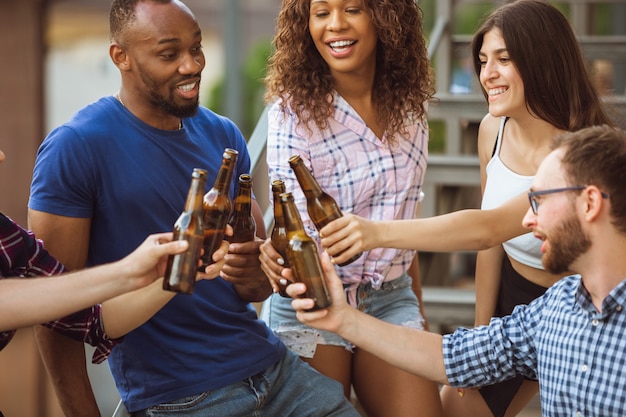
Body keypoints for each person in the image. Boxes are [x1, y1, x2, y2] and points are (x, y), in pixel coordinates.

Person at [27, 1, 359, 416]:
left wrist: (256, 269)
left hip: (274, 370)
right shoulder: (74, 147)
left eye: (196, 48)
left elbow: (253, 287)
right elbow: (52, 311)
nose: (191, 65)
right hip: (180, 397)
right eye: (169, 54)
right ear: (121, 57)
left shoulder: (222, 133)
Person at [316, 1, 614, 415]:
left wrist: (375, 232)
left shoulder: (581, 155)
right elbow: (491, 248)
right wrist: (482, 331)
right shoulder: (493, 130)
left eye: (504, 60)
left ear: (542, 60)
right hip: (517, 303)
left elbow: (487, 227)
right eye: (482, 60)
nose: (487, 74)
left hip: (579, 309)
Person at [290, 124, 626, 417]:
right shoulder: (554, 310)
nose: (527, 219)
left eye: (540, 200)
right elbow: (449, 357)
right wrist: (342, 318)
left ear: (590, 203)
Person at [259, 0, 442, 415]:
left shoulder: (411, 108)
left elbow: (402, 220)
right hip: (312, 299)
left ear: (385, 17)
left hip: (391, 296)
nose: (335, 25)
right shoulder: (292, 113)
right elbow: (294, 233)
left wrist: (418, 315)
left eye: (352, 9)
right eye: (321, 13)